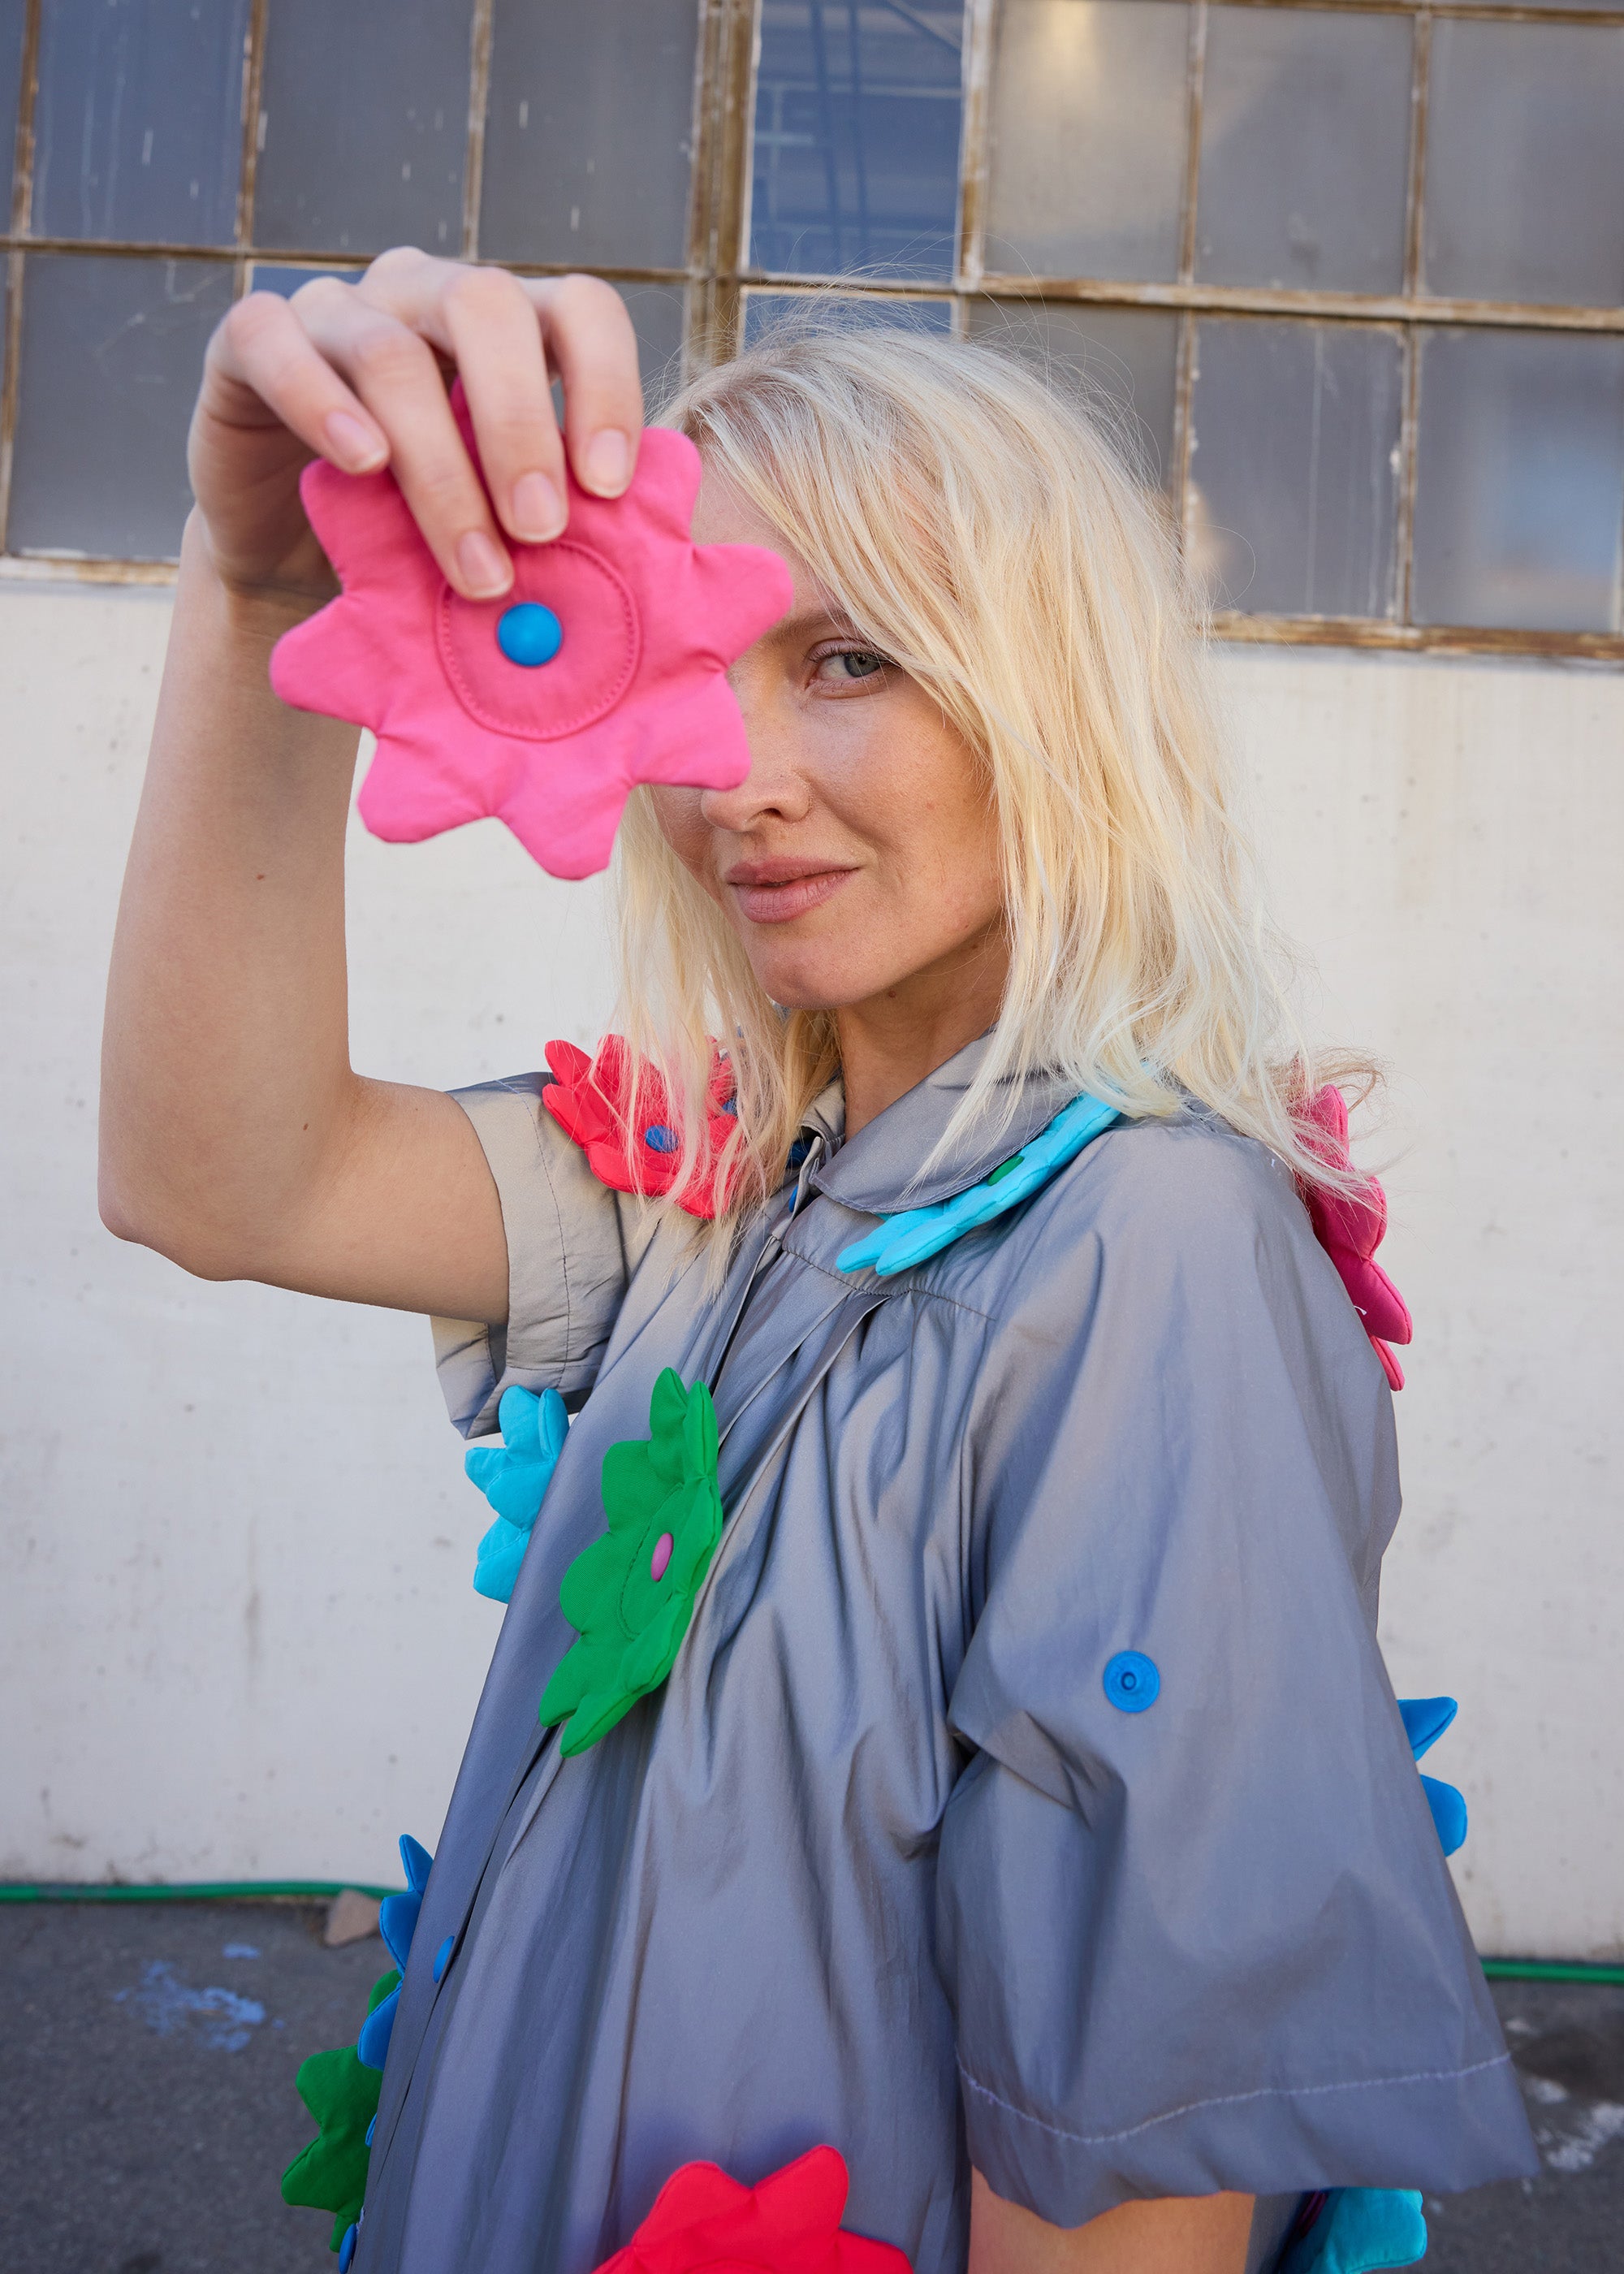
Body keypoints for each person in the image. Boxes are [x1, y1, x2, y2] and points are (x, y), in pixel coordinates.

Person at [99, 248, 1535, 2274]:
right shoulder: (710, 1179)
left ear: (1052, 699)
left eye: (848, 659)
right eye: (703, 679)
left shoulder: (1152, 1245)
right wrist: (258, 588)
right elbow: (214, 1179)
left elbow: (1124, 2167)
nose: (733, 777)